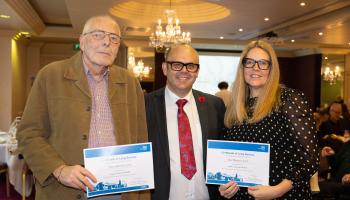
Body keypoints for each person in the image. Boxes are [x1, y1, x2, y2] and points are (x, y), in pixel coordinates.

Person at [17, 15, 149, 200]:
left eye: (114, 38)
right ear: (82, 40)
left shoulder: (129, 81)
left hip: (120, 190)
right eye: (98, 35)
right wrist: (59, 169)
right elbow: (28, 134)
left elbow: (140, 137)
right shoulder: (50, 75)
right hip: (66, 189)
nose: (106, 43)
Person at [219, 40, 319, 199]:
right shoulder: (235, 105)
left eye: (262, 63)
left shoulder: (288, 99)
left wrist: (278, 189)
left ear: (272, 69)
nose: (255, 68)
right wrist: (224, 185)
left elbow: (309, 158)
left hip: (283, 195)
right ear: (242, 67)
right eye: (249, 62)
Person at [145, 44, 226, 200]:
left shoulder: (214, 105)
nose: (184, 71)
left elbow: (224, 150)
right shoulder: (144, 105)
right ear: (164, 68)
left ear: (197, 72)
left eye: (191, 66)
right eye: (176, 65)